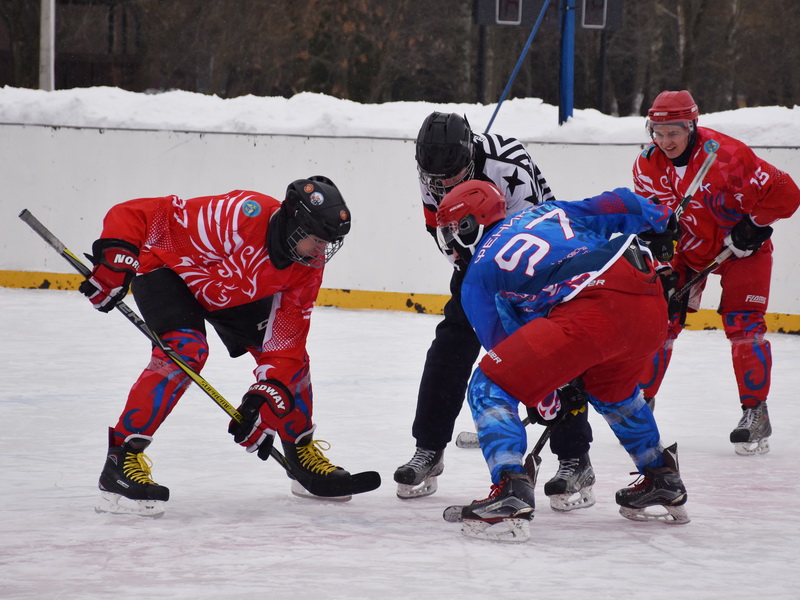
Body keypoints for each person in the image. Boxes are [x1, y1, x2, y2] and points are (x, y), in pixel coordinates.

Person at [79, 176, 375, 516]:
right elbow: (140, 214)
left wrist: (264, 398)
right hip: (169, 273)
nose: (321, 252)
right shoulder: (236, 217)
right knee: (186, 351)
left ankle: (300, 451)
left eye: (328, 244)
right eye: (317, 241)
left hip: (233, 292)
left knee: (291, 361)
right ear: (294, 223)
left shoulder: (307, 263)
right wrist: (116, 260)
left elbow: (287, 340)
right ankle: (121, 459)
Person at [436, 179, 690, 542]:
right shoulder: (545, 211)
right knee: (612, 390)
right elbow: (618, 204)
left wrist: (547, 398)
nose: (447, 239)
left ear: (468, 225)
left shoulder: (477, 274)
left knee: (489, 384)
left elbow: (503, 348)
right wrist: (661, 220)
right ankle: (661, 477)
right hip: (648, 301)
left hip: (593, 307)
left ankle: (510, 489)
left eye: (449, 229)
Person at [393, 111, 596, 511]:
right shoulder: (430, 171)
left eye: (452, 176)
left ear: (469, 155)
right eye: (436, 179)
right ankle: (428, 449)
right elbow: (444, 233)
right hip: (478, 264)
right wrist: (476, 278)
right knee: (449, 345)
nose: (443, 185)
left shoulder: (510, 164)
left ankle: (575, 457)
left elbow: (537, 232)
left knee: (551, 354)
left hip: (539, 263)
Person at [633, 90, 800, 455]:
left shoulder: (729, 156)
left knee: (744, 325)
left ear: (692, 125)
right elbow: (650, 222)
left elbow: (789, 194)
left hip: (743, 252)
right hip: (689, 250)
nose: (665, 142)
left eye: (674, 132)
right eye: (657, 133)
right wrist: (662, 264)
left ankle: (755, 411)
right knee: (658, 321)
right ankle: (639, 405)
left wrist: (754, 225)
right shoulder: (647, 164)